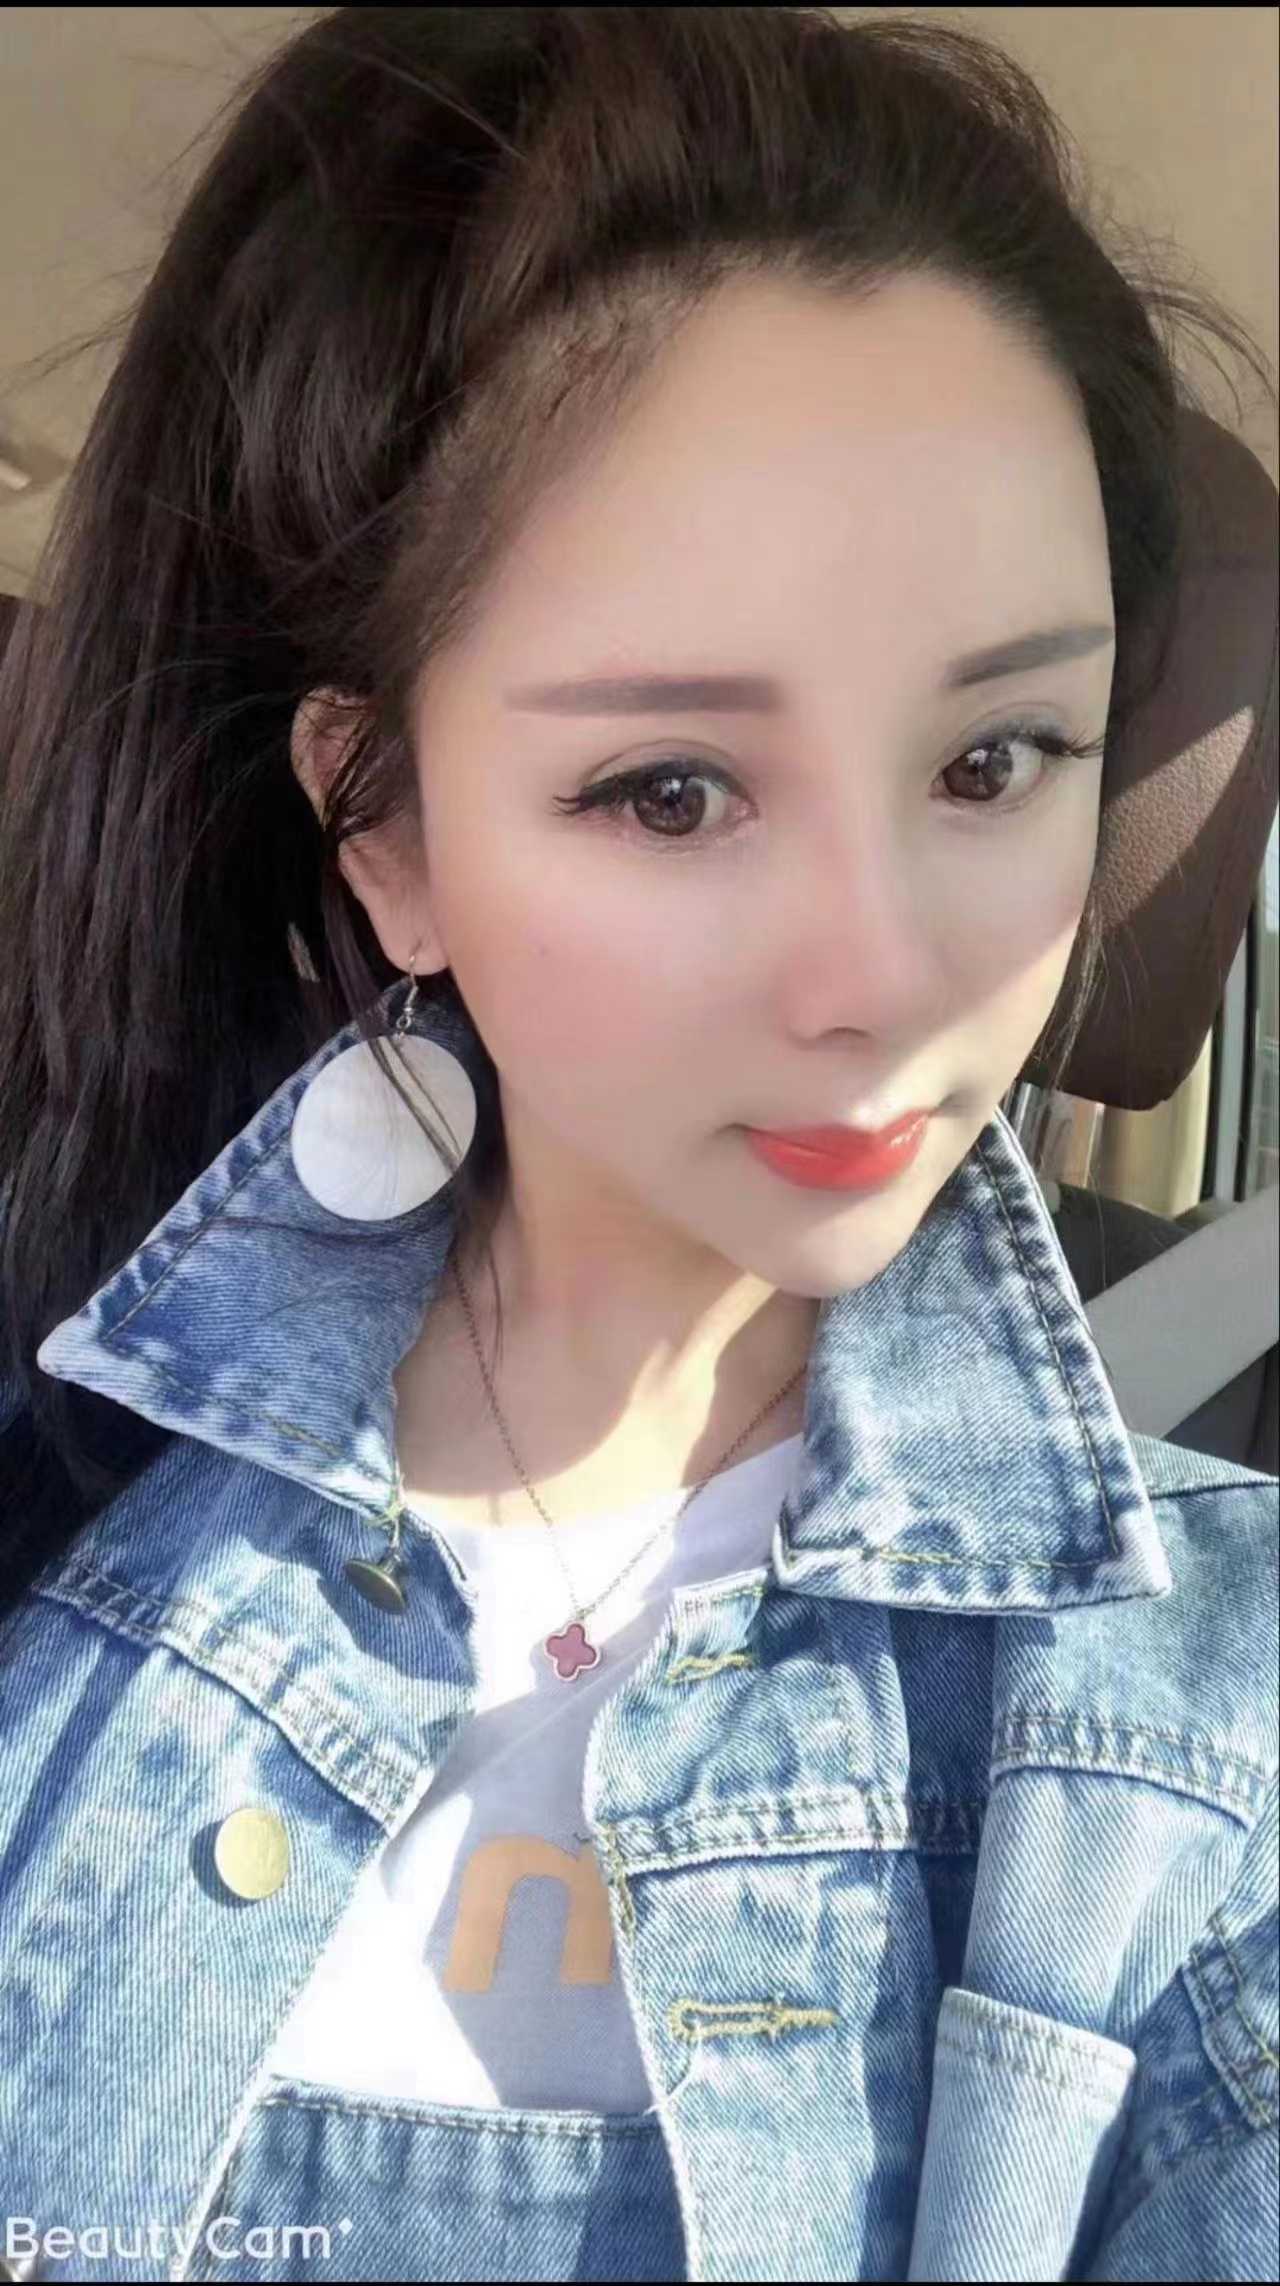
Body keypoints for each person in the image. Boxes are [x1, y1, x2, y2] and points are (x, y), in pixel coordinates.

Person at [0, 9, 1276, 2282]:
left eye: (994, 761)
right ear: (389, 832)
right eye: (671, 790)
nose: (882, 972)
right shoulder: (54, 1497)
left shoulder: (1205, 1735)